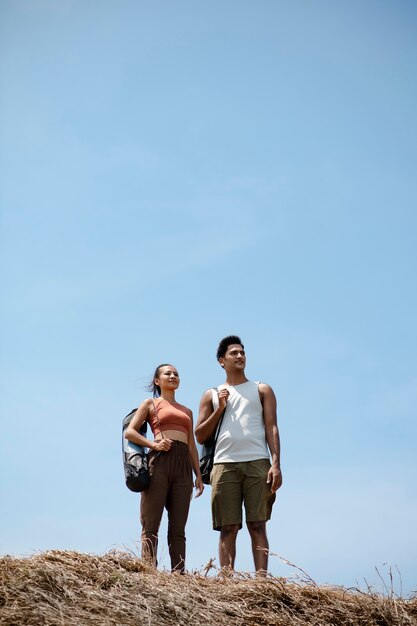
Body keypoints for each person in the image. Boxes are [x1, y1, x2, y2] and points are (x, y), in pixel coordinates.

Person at [195, 336, 282, 575]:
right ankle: (226, 577)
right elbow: (200, 435)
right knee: (228, 526)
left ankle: (262, 580)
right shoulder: (211, 394)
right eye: (234, 353)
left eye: (242, 352)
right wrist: (220, 408)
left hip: (257, 461)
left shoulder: (261, 389)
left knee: (257, 524)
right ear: (222, 361)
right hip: (224, 464)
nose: (240, 356)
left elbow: (271, 427)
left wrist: (276, 463)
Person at [125, 363, 204, 573]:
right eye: (167, 373)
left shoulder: (186, 410)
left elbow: (191, 445)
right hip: (159, 460)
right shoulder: (151, 403)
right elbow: (130, 432)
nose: (173, 376)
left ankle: (179, 572)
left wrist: (198, 474)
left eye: (176, 373)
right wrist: (153, 444)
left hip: (183, 466)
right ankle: (150, 570)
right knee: (151, 523)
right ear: (157, 381)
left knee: (178, 527)